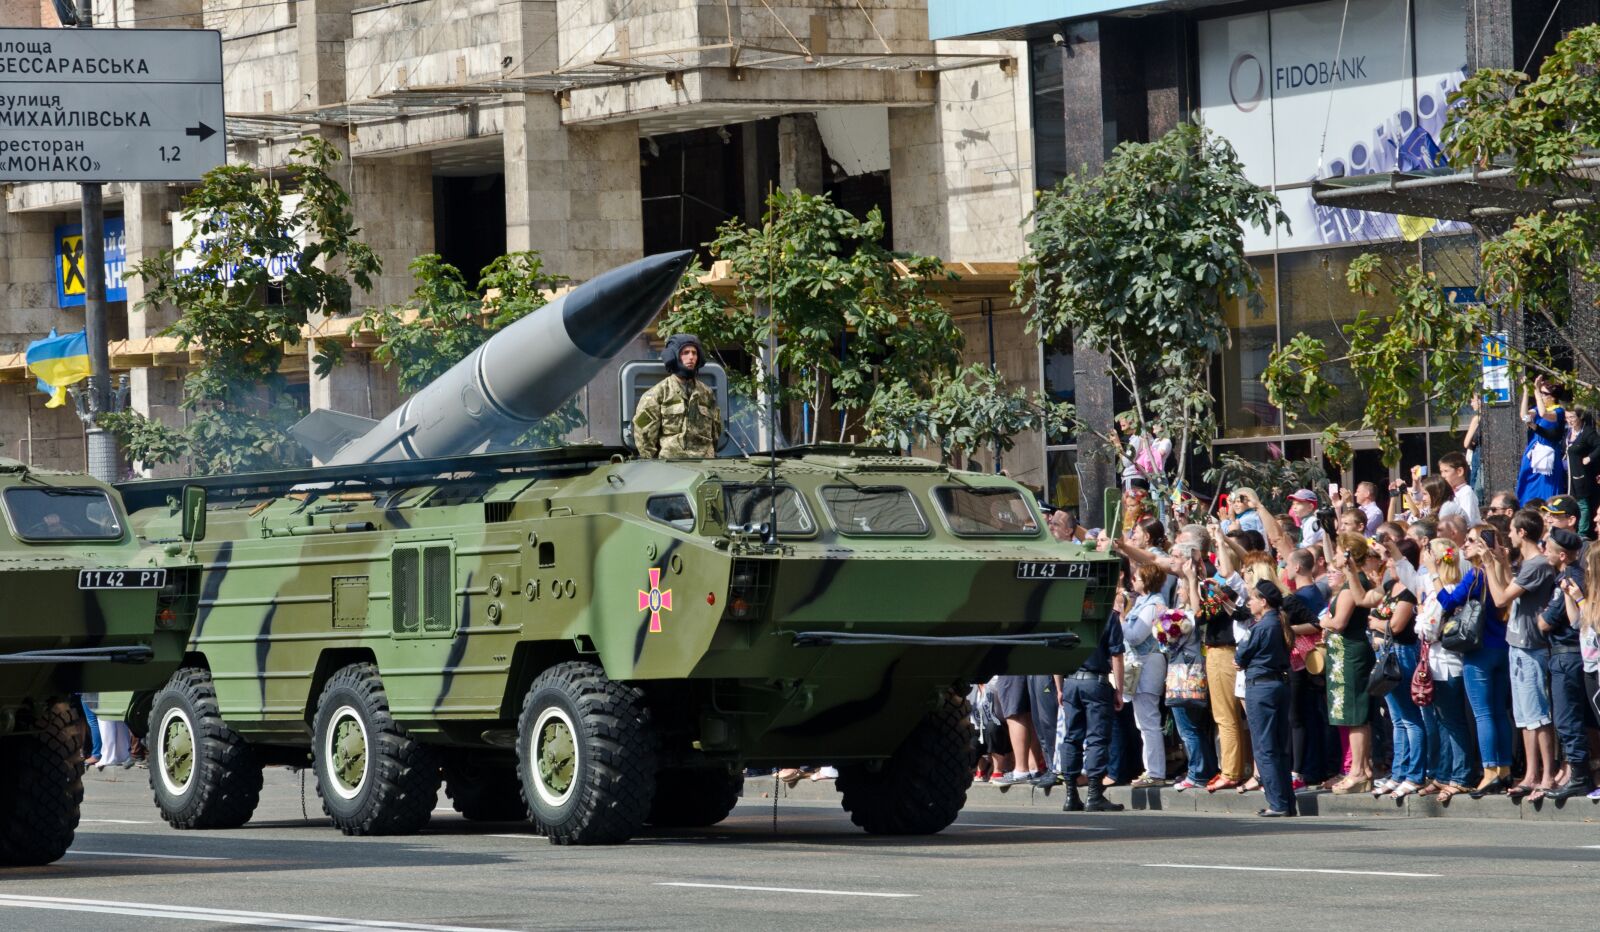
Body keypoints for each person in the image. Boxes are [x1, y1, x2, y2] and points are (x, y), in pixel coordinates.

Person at [1481, 510, 1558, 800]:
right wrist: (1499, 562)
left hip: (1531, 645)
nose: (1509, 536)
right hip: (1517, 643)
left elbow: (1500, 598)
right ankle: (1531, 774)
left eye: (1512, 530)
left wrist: (1489, 564)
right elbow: (1507, 595)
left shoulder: (1537, 564)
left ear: (1523, 532)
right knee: (1524, 715)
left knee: (1538, 715)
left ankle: (1547, 775)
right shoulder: (1528, 564)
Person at [1454, 526, 1515, 797]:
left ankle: (1490, 770)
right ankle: (1504, 768)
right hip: (1502, 647)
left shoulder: (1477, 574)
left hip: (1479, 649)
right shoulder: (1502, 569)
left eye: (1470, 541)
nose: (1464, 545)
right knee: (1499, 711)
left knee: (1484, 712)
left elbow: (1449, 601)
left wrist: (1435, 578)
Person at [1417, 539, 1474, 802]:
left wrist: (1422, 622)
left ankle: (1461, 775)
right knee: (1442, 720)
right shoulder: (1439, 590)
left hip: (1447, 663)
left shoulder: (1448, 588)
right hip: (1437, 663)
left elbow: (1427, 627)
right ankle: (1444, 772)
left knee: (1453, 721)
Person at [1060, 594, 1127, 813]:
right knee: (1097, 739)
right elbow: (1116, 655)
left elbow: (1056, 652)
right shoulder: (1108, 616)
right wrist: (1119, 689)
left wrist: (1059, 686)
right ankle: (1094, 795)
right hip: (1095, 682)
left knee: (1071, 737)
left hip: (1070, 680)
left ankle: (1071, 795)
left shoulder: (1066, 615)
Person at [1320, 534, 1377, 793]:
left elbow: (1339, 622)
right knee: (1355, 715)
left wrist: (1323, 622)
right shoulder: (1354, 581)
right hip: (1347, 654)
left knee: (1355, 715)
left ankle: (1357, 771)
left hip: (1350, 654)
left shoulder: (1351, 586)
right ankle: (1362, 768)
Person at [1237, 580, 1297, 817]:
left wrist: (1241, 660)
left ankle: (1278, 803)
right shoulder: (1277, 623)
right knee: (1279, 747)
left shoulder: (1261, 626)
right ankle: (1286, 802)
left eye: (1252, 598)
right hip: (1278, 684)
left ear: (1263, 602)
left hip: (1261, 687)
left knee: (1265, 748)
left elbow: (1242, 654)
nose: (1249, 602)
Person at [1369, 551, 1424, 798]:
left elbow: (1395, 626)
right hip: (1386, 651)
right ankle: (1398, 772)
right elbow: (1370, 608)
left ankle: (1414, 774)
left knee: (1410, 718)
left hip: (1402, 652)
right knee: (1397, 718)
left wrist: (1376, 624)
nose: (1387, 563)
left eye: (1392, 559)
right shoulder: (1390, 587)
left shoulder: (1409, 590)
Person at [1544, 528, 1592, 799]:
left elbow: (1545, 622)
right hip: (1569, 655)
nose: (1544, 553)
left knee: (1567, 719)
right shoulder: (1565, 577)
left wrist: (1543, 617)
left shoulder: (1570, 579)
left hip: (1567, 654)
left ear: (1562, 555)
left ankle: (1580, 775)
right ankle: (1580, 772)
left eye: (1548, 549)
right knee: (1572, 718)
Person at [632, 333, 721, 459]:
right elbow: (643, 432)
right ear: (674, 356)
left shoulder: (707, 393)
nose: (691, 357)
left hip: (705, 463)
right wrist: (651, 462)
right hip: (672, 464)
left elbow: (715, 431)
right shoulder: (657, 394)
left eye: (694, 353)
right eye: (685, 353)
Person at [1123, 563, 1169, 787]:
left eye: (1137, 578)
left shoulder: (1153, 604)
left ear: (1147, 581)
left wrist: (1120, 618)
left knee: (1149, 720)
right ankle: (1151, 768)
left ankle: (1156, 772)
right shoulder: (1142, 602)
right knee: (1143, 721)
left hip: (1147, 664)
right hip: (1138, 664)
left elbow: (1134, 636)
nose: (1133, 581)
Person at [1517, 375, 1566, 504]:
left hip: (1548, 452)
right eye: (1541, 393)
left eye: (1544, 393)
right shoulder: (1538, 408)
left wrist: (1536, 391)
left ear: (1553, 397)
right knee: (1527, 480)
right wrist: (1527, 392)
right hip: (1534, 449)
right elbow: (1524, 416)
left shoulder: (1559, 411)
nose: (1542, 396)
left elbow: (1545, 414)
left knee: (1547, 486)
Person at [1565, 408, 1600, 539]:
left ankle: (1583, 532)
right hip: (1570, 474)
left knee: (1582, 502)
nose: (1569, 421)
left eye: (1572, 417)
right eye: (1567, 417)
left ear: (1580, 417)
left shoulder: (1587, 432)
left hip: (1581, 474)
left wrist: (1589, 457)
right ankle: (1572, 527)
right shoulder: (1568, 432)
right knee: (1573, 501)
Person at [1438, 451, 1480, 526]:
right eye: (1441, 472)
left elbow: (1468, 521)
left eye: (1446, 471)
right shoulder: (1449, 493)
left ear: (1459, 471)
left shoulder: (1466, 492)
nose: (1443, 476)